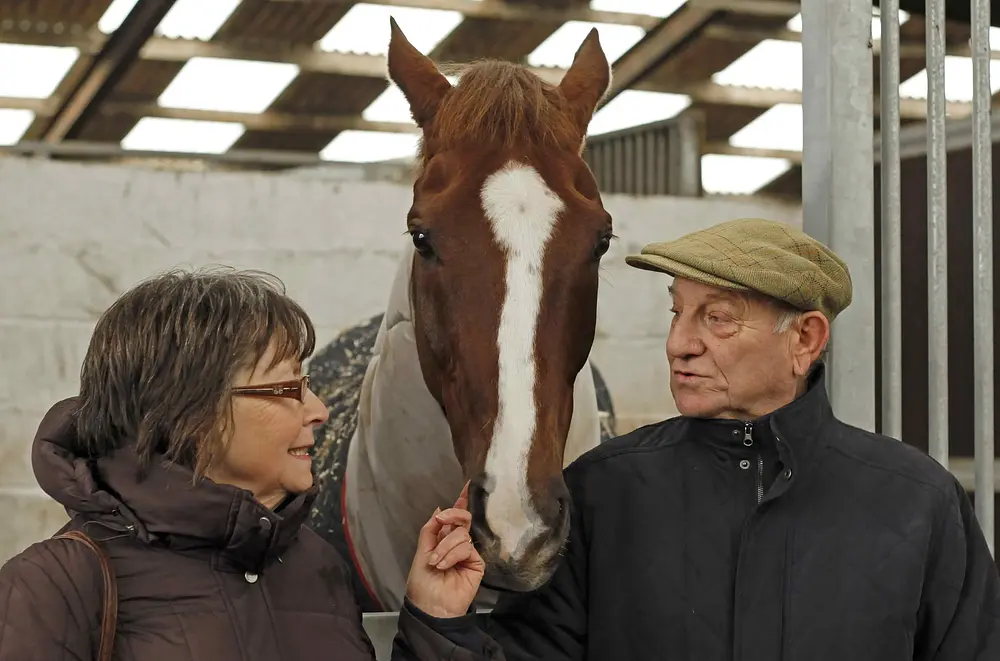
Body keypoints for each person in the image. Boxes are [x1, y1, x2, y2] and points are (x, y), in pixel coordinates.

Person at [479, 218, 1000, 660]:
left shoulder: (918, 502)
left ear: (805, 339)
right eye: (677, 312)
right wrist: (444, 624)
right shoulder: (604, 491)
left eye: (718, 318)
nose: (679, 343)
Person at [0, 268, 505, 661]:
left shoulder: (316, 566)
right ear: (188, 409)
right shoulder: (54, 586)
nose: (319, 410)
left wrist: (435, 622)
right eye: (288, 387)